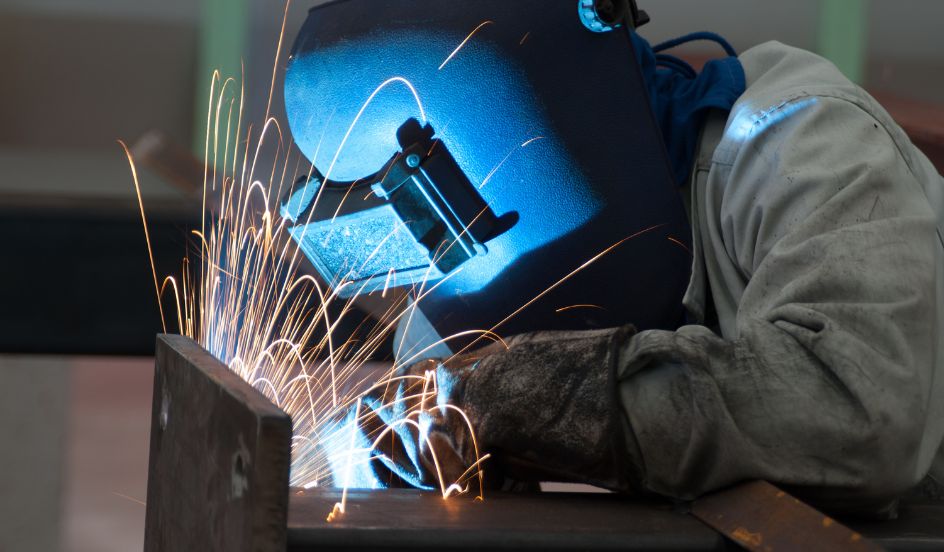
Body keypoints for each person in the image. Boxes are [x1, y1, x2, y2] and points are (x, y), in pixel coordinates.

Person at [284, 0, 944, 514]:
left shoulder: (807, 144)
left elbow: (859, 413)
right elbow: (443, 424)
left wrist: (544, 398)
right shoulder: (459, 300)